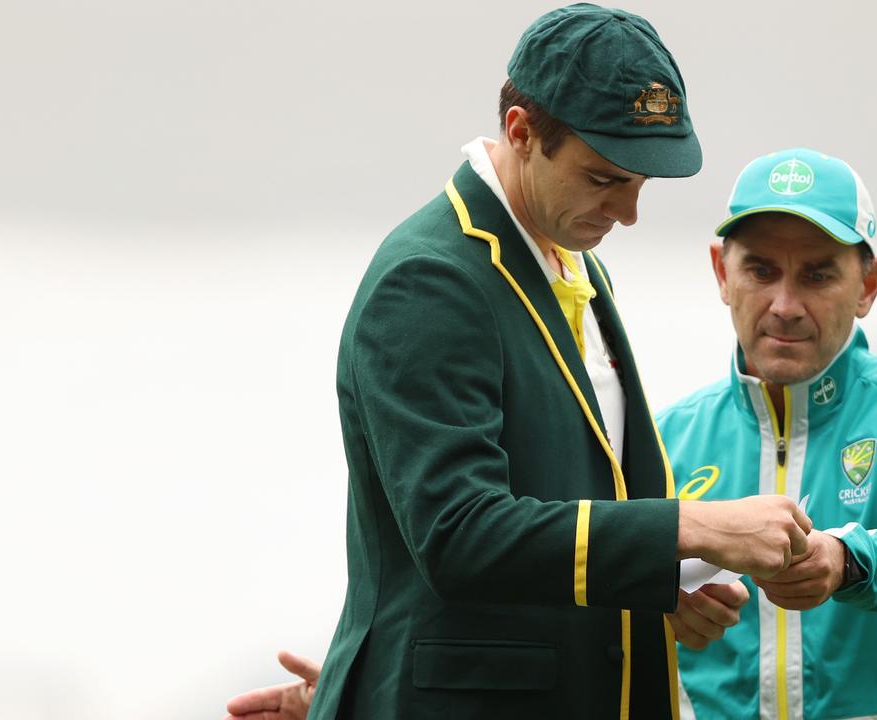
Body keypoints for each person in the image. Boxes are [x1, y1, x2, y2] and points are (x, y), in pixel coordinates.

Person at [229, 5, 816, 720]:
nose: (628, 213)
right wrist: (690, 527)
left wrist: (655, 586)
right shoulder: (428, 280)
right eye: (604, 180)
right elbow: (461, 534)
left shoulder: (566, 253)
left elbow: (573, 503)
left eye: (641, 185)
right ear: (521, 133)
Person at [660, 148, 877, 719]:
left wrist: (844, 560)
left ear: (869, 284)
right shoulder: (662, 438)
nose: (785, 305)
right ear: (722, 273)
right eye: (761, 271)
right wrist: (652, 604)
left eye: (817, 274)